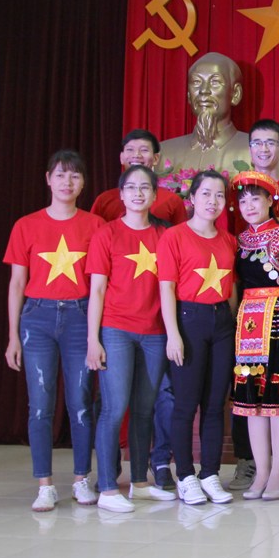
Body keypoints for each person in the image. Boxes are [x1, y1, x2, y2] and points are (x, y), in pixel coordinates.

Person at [4, 149, 104, 511]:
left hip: (80, 317)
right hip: (38, 319)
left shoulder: (96, 225)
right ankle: (44, 484)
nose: (67, 182)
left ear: (83, 183)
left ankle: (81, 479)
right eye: (60, 174)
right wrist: (13, 336)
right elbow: (17, 284)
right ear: (48, 179)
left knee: (81, 403)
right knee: (40, 406)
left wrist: (95, 336)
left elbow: (100, 285)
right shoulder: (26, 225)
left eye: (75, 175)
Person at [90, 128, 185, 491]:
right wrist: (93, 340)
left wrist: (172, 332)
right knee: (115, 408)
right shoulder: (106, 233)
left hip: (155, 332)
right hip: (116, 329)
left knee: (146, 409)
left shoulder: (166, 235)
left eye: (145, 188)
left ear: (155, 194)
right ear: (121, 194)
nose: (138, 193)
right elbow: (97, 290)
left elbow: (172, 286)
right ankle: (106, 485)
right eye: (131, 188)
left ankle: (141, 481)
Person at [227, 120, 279, 492]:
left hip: (278, 322)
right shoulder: (240, 240)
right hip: (248, 327)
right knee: (251, 403)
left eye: (256, 200)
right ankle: (260, 471)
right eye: (244, 201)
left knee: (278, 402)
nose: (249, 206)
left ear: (270, 202)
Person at [157, 170, 237, 505]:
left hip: (222, 323)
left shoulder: (228, 240)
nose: (212, 201)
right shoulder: (173, 237)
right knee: (186, 403)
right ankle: (186, 476)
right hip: (188, 320)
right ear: (191, 198)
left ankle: (210, 474)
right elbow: (166, 288)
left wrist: (233, 325)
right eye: (205, 194)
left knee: (215, 404)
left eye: (219, 195)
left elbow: (232, 289)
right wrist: (172, 334)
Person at [159, 53, 279, 183]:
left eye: (215, 82)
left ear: (235, 94)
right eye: (196, 82)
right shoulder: (165, 152)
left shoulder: (261, 151)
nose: (204, 90)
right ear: (189, 95)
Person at [91, 129, 188, 225]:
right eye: (130, 149)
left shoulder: (172, 200)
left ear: (156, 158)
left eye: (144, 150)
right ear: (121, 157)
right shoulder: (104, 200)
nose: (136, 155)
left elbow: (182, 233)